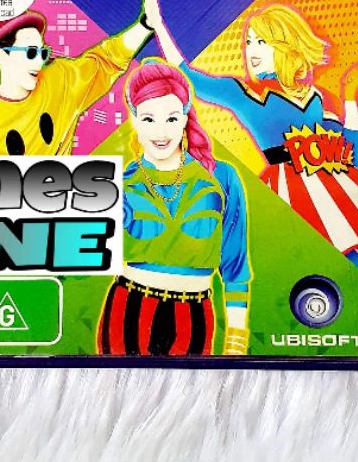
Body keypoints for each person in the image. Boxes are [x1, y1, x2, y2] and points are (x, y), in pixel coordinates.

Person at [143, 0, 358, 280]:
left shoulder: (317, 98)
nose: (251, 50)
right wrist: (158, 24)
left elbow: (353, 157)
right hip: (286, 195)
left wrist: (350, 99)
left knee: (347, 260)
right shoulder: (247, 95)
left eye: (261, 42)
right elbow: (193, 80)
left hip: (329, 194)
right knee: (292, 264)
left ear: (286, 46)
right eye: (249, 42)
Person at [98, 61, 251, 357]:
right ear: (134, 119)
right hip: (128, 309)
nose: (161, 131)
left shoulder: (221, 177)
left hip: (195, 314)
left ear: (184, 117)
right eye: (148, 119)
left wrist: (236, 339)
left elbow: (235, 264)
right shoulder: (121, 182)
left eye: (170, 118)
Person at [0, 0, 155, 155]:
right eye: (30, 53)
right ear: (3, 56)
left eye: (42, 53)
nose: (39, 62)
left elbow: (105, 59)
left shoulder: (61, 81)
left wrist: (145, 24)